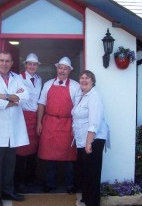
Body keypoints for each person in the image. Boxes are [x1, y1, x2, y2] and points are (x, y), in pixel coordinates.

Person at [0, 51, 29, 206]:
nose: (4, 63)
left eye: (7, 61)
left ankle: (9, 190)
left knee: (10, 163)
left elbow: (26, 96)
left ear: (11, 63)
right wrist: (14, 99)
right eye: (1, 60)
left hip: (13, 129)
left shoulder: (17, 78)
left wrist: (5, 96)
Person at [37, 56, 80, 194]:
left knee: (69, 157)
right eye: (60, 68)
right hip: (49, 123)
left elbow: (78, 108)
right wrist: (39, 122)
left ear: (69, 71)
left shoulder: (75, 86)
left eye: (65, 68)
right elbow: (42, 104)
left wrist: (75, 127)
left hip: (68, 124)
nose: (62, 71)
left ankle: (70, 185)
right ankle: (50, 184)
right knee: (49, 157)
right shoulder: (48, 84)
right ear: (57, 69)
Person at [71, 70, 110, 206]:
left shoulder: (94, 96)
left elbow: (94, 122)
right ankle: (86, 199)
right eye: (81, 78)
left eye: (87, 78)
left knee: (92, 174)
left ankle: (93, 202)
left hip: (94, 140)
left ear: (93, 81)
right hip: (83, 140)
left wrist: (89, 143)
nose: (83, 80)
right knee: (86, 172)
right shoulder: (83, 95)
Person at [15, 53, 42, 193]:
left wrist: (39, 121)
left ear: (37, 66)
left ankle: (30, 177)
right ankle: (19, 181)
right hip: (21, 116)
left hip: (34, 116)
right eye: (29, 64)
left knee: (33, 149)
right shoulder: (17, 78)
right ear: (25, 65)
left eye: (35, 64)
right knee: (21, 149)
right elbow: (14, 96)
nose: (32, 66)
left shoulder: (39, 79)